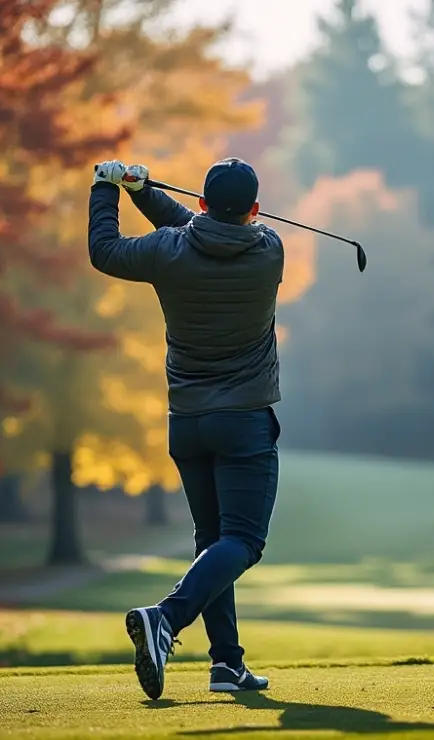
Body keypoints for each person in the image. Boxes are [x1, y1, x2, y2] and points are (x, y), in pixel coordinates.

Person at [88, 158, 284, 701]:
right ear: (255, 209)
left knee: (213, 541)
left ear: (200, 202)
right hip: (244, 421)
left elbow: (106, 250)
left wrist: (112, 188)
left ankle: (227, 664)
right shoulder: (269, 250)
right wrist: (143, 191)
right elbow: (206, 228)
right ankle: (166, 619)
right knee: (242, 541)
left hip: (189, 423)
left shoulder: (166, 252)